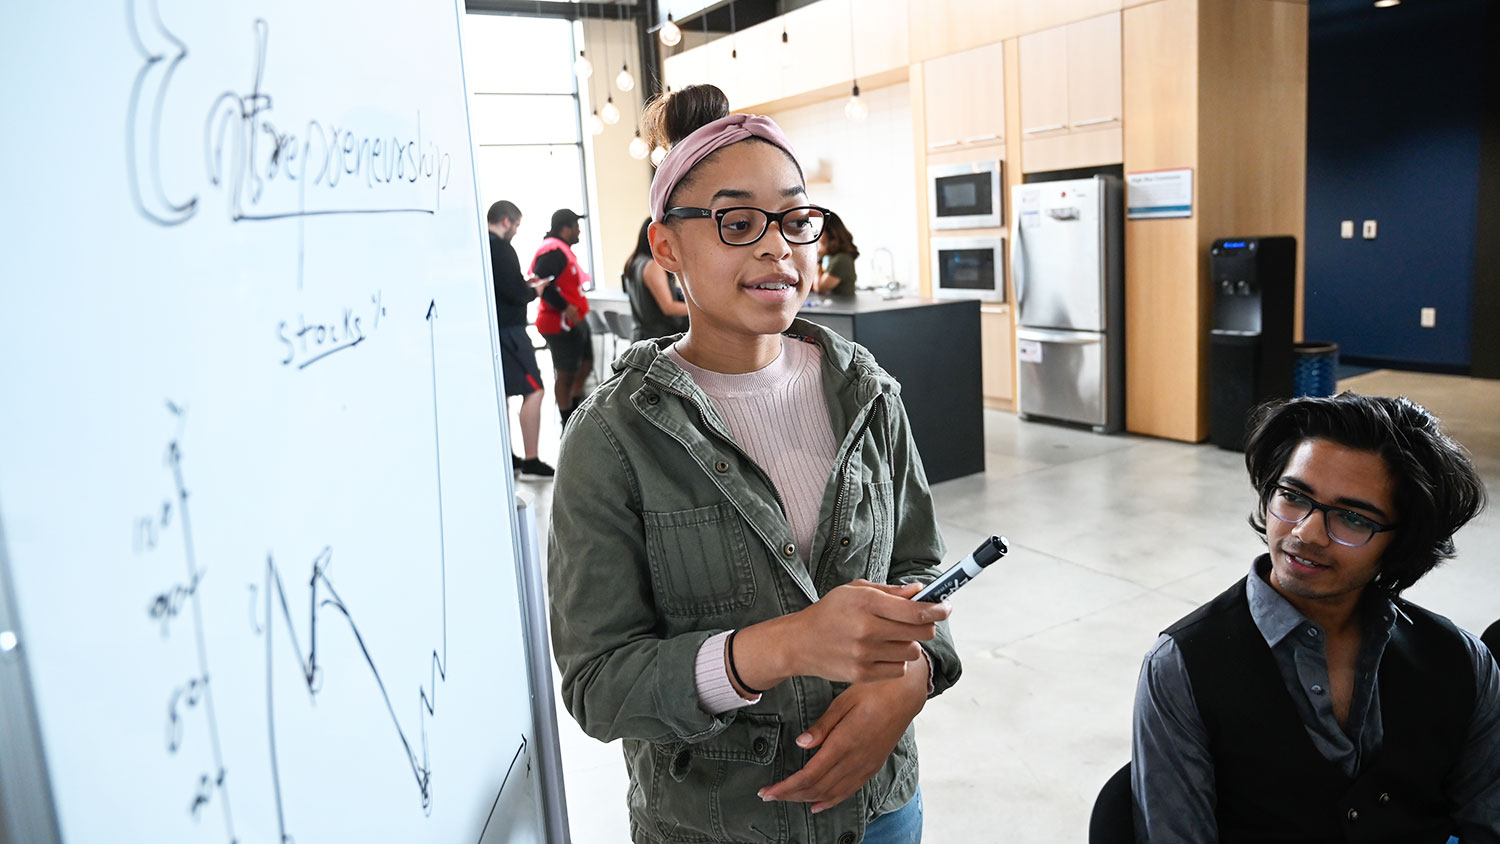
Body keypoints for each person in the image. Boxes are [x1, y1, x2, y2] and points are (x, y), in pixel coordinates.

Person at [546, 84, 960, 844]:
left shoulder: (865, 390)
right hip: (718, 826)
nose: (779, 247)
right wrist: (781, 647)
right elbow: (599, 684)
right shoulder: (612, 436)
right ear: (667, 246)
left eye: (797, 220)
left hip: (881, 807)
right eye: (738, 223)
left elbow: (920, 568)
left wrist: (913, 677)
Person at [1132, 392, 1498, 844]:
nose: (1305, 533)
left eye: (1351, 517)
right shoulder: (1180, 666)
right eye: (1292, 496)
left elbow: (1487, 820)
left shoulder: (1462, 661)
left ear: (1402, 541)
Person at [486, 200, 554, 478]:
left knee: (501, 395)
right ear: (506, 222)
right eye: (516, 225)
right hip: (510, 334)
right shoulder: (501, 248)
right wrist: (535, 291)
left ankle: (508, 456)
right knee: (534, 389)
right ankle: (531, 460)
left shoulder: (480, 244)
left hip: (495, 331)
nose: (515, 231)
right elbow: (514, 293)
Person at [531, 208, 593, 428]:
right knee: (565, 373)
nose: (578, 231)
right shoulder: (552, 251)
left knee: (585, 364)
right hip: (560, 324)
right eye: (576, 226)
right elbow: (542, 285)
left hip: (575, 320)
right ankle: (568, 420)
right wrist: (565, 306)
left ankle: (576, 409)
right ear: (566, 228)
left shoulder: (562, 250)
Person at [624, 217, 689, 341]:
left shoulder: (633, 262)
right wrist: (700, 308)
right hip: (658, 339)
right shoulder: (652, 266)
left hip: (641, 336)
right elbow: (668, 307)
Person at [815, 213, 858, 297]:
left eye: (821, 232)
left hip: (843, 308)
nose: (819, 237)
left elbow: (819, 288)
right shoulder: (834, 257)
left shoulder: (841, 260)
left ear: (830, 233)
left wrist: (819, 259)